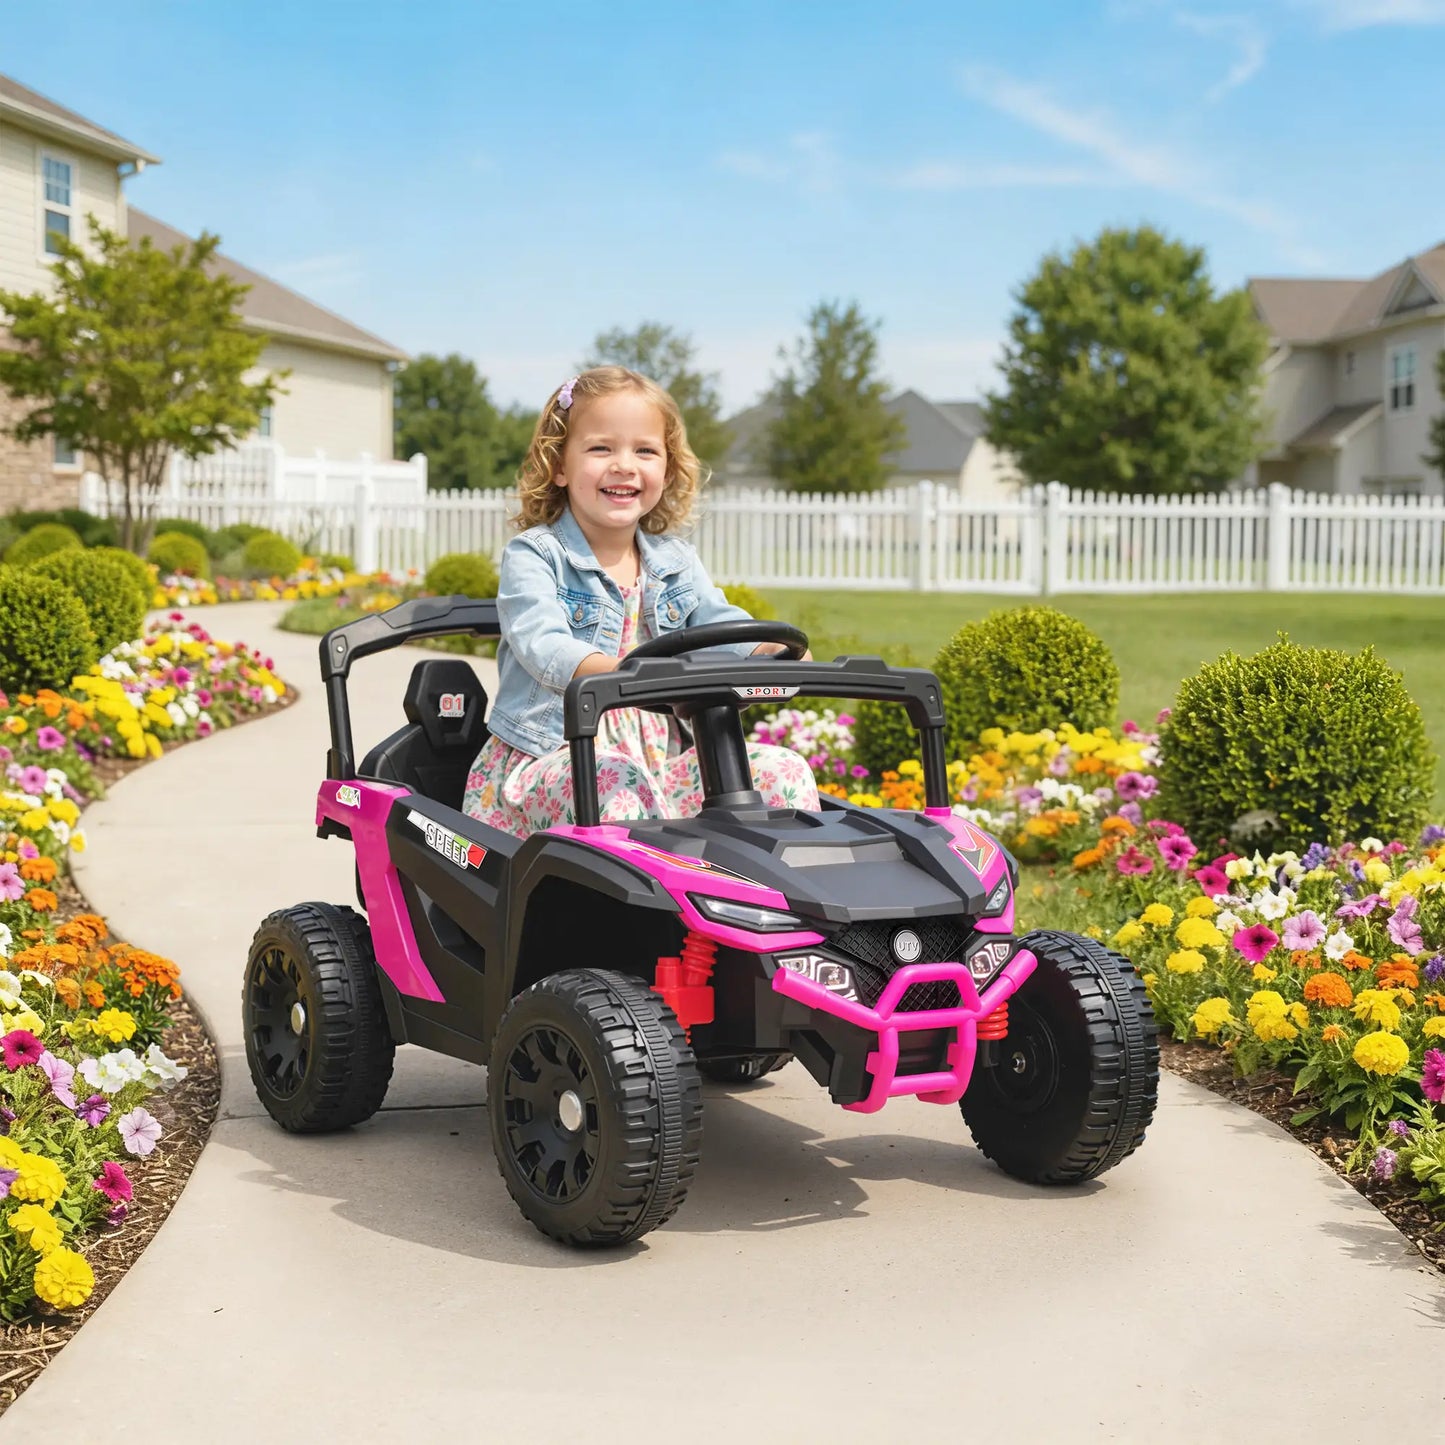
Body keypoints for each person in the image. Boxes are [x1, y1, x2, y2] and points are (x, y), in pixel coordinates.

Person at [463, 366, 819, 836]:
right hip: (552, 758)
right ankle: (641, 911)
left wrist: (771, 653)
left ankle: (776, 903)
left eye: (645, 451)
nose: (624, 465)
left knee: (781, 770)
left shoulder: (676, 561)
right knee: (617, 782)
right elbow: (542, 644)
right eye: (601, 448)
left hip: (656, 765)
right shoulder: (536, 554)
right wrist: (623, 674)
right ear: (559, 466)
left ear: (667, 470)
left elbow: (720, 624)